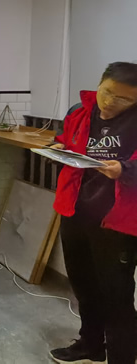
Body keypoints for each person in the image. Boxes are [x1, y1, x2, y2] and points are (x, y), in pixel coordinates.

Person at [49, 62, 137, 364]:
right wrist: (57, 149)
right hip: (75, 210)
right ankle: (91, 344)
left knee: (117, 294)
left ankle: (122, 357)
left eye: (123, 99)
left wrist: (125, 169)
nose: (110, 102)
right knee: (83, 284)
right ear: (99, 84)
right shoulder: (79, 112)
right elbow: (66, 141)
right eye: (107, 92)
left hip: (116, 220)